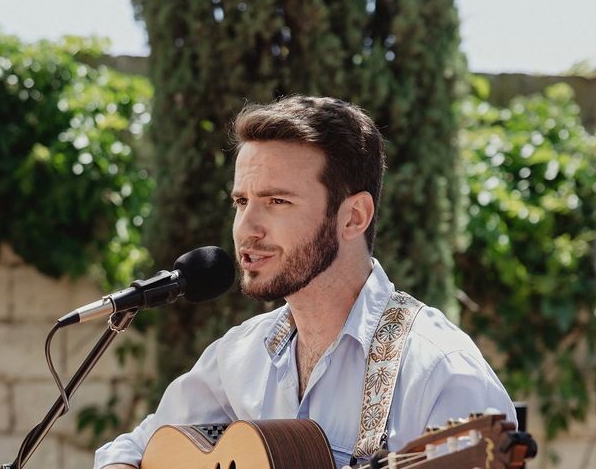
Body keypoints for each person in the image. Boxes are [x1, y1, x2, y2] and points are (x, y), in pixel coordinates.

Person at [94, 95, 516, 469]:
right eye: (242, 202)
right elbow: (135, 447)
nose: (247, 228)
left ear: (353, 217)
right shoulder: (241, 354)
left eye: (277, 201)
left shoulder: (442, 372)